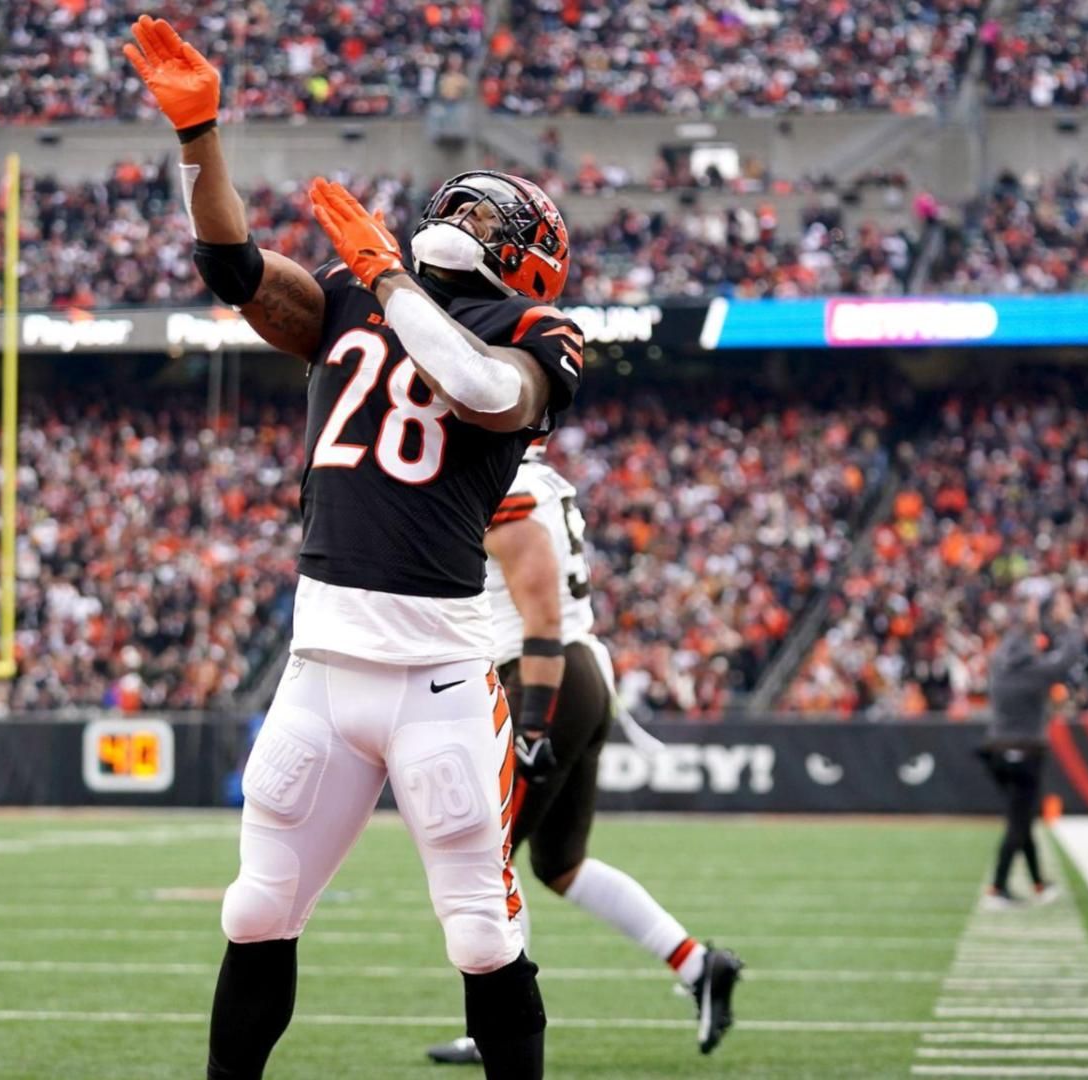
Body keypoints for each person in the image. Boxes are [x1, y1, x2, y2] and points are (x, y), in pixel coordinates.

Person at [123, 18, 584, 1078]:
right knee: (256, 909)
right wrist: (200, 137)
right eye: (460, 201)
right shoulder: (345, 297)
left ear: (531, 262)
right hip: (324, 666)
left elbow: (475, 390)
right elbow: (230, 263)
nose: (466, 215)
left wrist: (387, 278)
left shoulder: (534, 336)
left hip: (435, 672)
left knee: (479, 930)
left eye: (489, 211)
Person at [424, 444, 742, 1066]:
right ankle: (699, 964)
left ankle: (499, 1027)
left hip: (542, 676)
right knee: (561, 863)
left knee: (488, 860)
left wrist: (534, 717)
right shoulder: (546, 479)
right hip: (584, 670)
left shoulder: (504, 481)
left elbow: (536, 609)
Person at [981, 585, 1082, 907]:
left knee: (1020, 818)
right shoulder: (1034, 670)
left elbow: (1017, 638)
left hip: (998, 749)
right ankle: (997, 886)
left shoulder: (999, 662)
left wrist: (1028, 620)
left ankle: (1038, 882)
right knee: (1019, 821)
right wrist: (1066, 623)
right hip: (1026, 751)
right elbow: (1068, 657)